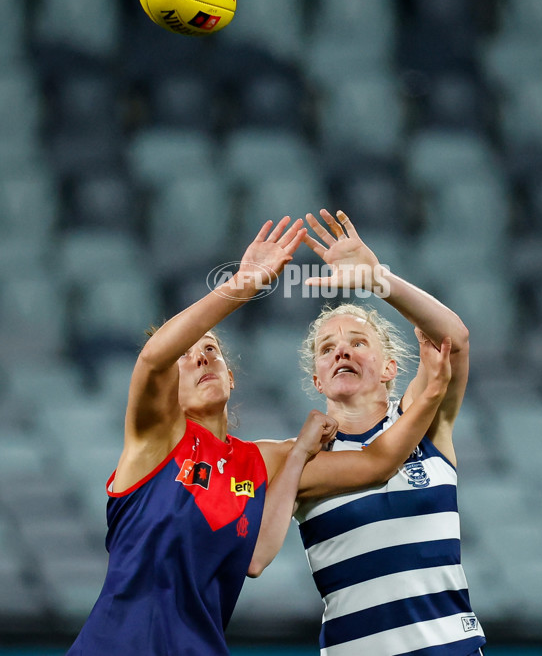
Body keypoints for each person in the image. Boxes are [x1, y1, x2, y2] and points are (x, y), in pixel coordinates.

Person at [66, 215, 453, 656]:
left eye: (211, 349)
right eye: (187, 356)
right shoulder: (154, 441)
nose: (202, 359)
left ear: (230, 375)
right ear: (165, 391)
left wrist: (428, 394)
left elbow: (262, 554)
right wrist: (243, 285)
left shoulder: (257, 462)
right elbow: (154, 358)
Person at [293, 209, 486, 656]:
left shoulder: (423, 423)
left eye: (358, 342)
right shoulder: (304, 458)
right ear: (318, 379)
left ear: (389, 368)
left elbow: (454, 339)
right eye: (327, 348)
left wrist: (377, 280)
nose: (341, 349)